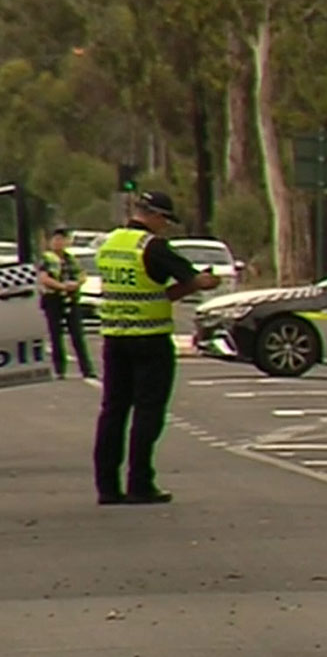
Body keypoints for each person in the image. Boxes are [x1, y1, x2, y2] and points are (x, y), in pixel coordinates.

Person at [93, 191, 219, 505]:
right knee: (148, 411)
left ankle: (107, 486)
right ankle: (140, 482)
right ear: (154, 215)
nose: (164, 226)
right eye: (164, 219)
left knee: (113, 411)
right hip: (150, 340)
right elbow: (193, 280)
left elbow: (146, 292)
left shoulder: (108, 244)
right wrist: (203, 281)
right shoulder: (153, 247)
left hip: (115, 338)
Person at [37, 228, 94, 379]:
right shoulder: (47, 259)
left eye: (62, 239)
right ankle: (59, 369)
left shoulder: (71, 259)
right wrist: (61, 286)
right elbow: (44, 278)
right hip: (53, 299)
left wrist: (76, 284)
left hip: (71, 299)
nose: (58, 243)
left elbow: (82, 274)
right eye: (56, 239)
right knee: (56, 335)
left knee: (77, 335)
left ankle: (87, 369)